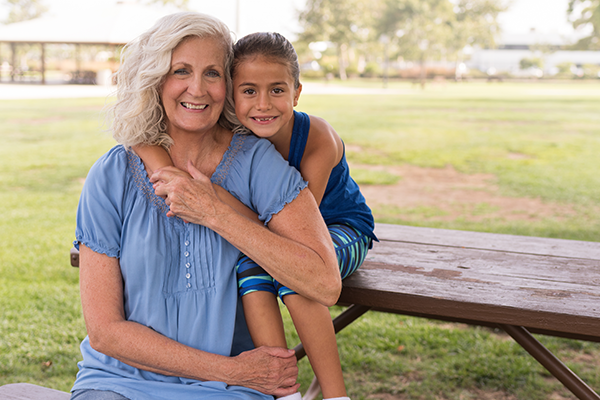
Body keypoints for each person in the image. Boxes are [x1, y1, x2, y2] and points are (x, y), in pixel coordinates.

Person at [71, 12, 342, 400]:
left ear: (228, 86)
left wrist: (216, 213)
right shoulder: (111, 176)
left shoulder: (258, 163)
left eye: (212, 74)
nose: (197, 89)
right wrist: (231, 369)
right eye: (181, 70)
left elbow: (324, 282)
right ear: (156, 79)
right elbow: (105, 331)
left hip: (232, 391)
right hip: (121, 383)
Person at [134, 32, 377, 400]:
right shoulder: (235, 132)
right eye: (249, 91)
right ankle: (283, 391)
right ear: (232, 93)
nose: (263, 104)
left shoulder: (318, 139)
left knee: (294, 273)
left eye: (277, 90)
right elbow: (141, 138)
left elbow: (297, 229)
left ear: (296, 92)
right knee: (252, 267)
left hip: (339, 229)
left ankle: (335, 394)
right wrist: (176, 178)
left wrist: (210, 200)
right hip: (269, 230)